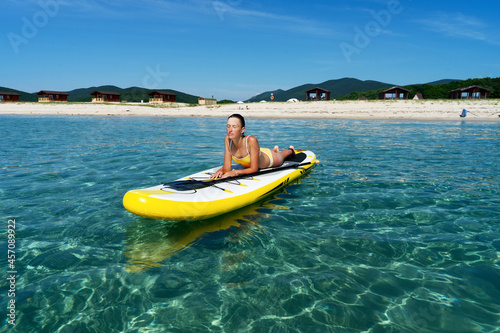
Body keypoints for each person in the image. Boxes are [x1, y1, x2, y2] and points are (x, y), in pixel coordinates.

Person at [210, 114, 295, 179]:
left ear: (242, 130)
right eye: (228, 126)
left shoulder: (251, 140)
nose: (230, 130)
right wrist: (221, 170)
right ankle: (274, 149)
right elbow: (227, 167)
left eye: (234, 127)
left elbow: (254, 169)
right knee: (262, 152)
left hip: (270, 159)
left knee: (282, 155)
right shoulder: (227, 139)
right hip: (257, 152)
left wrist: (236, 172)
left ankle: (290, 149)